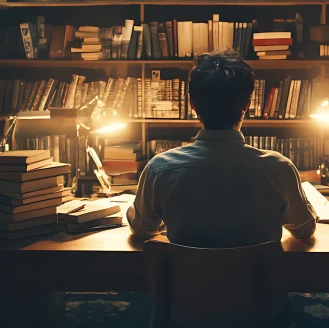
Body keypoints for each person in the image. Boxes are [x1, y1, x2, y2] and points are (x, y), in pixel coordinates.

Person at [127, 49, 318, 247]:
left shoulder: (159, 170)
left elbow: (141, 228)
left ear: (192, 104)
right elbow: (304, 229)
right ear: (246, 104)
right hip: (255, 278)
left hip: (189, 278)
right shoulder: (279, 168)